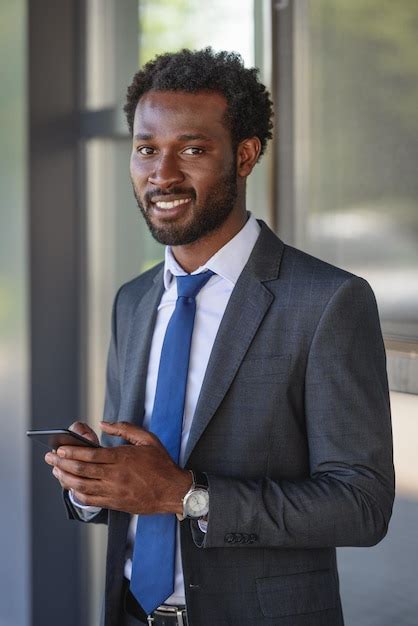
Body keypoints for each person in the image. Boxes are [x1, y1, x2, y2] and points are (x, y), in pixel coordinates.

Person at [45, 48, 395, 626]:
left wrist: (186, 496)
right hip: (128, 610)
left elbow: (361, 505)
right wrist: (93, 485)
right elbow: (142, 485)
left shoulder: (328, 301)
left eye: (193, 149)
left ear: (246, 155)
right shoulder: (132, 301)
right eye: (146, 149)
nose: (162, 173)